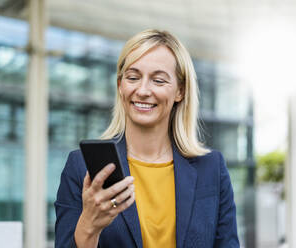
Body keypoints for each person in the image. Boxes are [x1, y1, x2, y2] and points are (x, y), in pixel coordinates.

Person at [55, 29, 240, 248]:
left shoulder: (211, 168)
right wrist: (88, 226)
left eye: (158, 80)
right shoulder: (81, 167)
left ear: (180, 91)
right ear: (120, 85)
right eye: (133, 77)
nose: (142, 90)